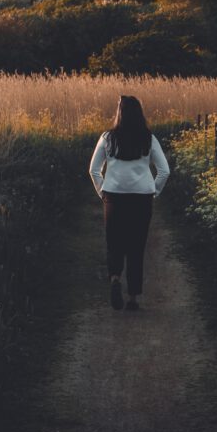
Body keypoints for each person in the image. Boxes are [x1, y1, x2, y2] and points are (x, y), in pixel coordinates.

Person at [88, 95, 170, 311]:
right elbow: (164, 171)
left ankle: (115, 278)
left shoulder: (108, 138)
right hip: (141, 199)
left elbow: (93, 170)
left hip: (114, 197)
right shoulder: (149, 139)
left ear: (120, 113)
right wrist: (153, 192)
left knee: (114, 243)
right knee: (136, 246)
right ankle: (133, 298)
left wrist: (103, 193)